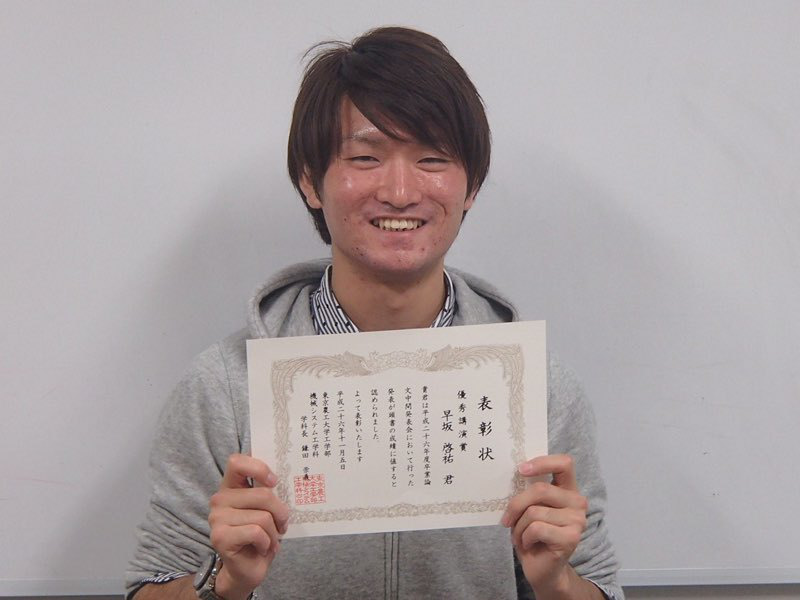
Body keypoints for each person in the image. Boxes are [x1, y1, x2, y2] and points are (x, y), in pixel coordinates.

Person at [126, 26, 623, 600]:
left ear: (471, 187)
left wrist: (557, 582)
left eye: (432, 158)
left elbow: (601, 584)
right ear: (310, 181)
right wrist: (225, 584)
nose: (400, 191)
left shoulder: (538, 387)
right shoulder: (222, 386)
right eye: (365, 157)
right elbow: (152, 582)